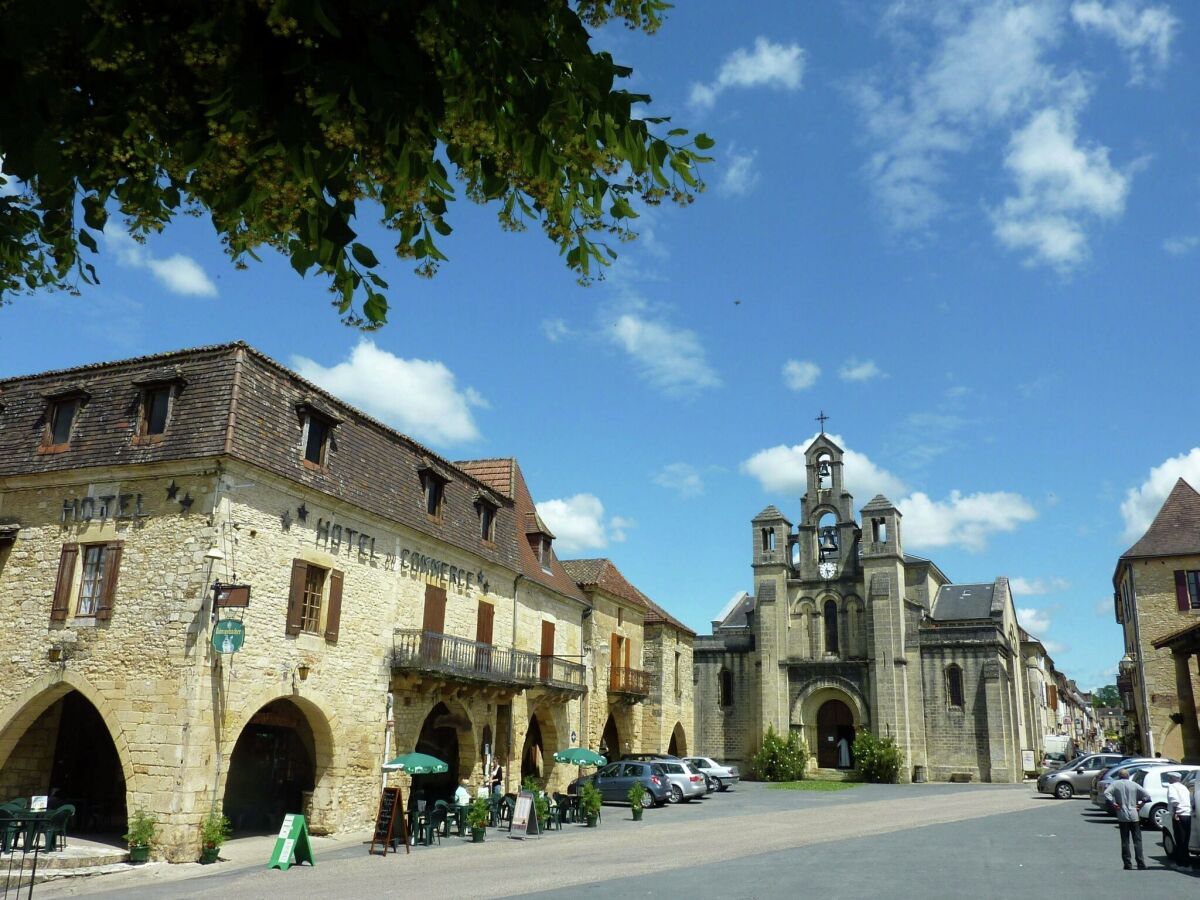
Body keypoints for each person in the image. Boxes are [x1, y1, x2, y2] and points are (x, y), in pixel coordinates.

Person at [1103, 769, 1151, 870]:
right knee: (1137, 840)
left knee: (1125, 841)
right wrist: (1140, 804)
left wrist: (1113, 803)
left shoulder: (1115, 784)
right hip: (1134, 815)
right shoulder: (1134, 784)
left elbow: (1106, 793)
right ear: (1128, 776)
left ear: (1119, 776)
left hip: (1122, 815)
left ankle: (1127, 863)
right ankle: (1140, 863)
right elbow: (1147, 795)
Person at [1166, 771, 1192, 868]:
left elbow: (1174, 800)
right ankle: (1186, 862)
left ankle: (1181, 863)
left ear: (1173, 779)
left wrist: (1175, 813)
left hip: (1179, 814)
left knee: (1179, 839)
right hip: (1187, 814)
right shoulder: (1184, 787)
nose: (1168, 780)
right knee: (1185, 840)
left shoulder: (1172, 787)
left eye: (1169, 778)